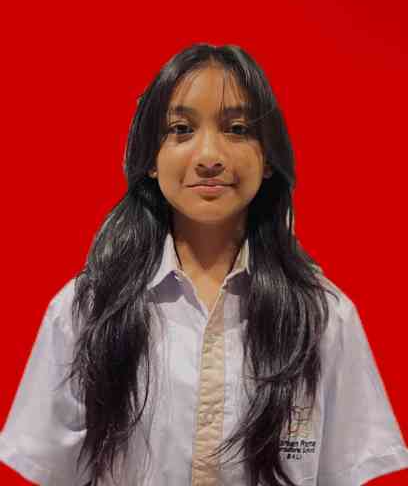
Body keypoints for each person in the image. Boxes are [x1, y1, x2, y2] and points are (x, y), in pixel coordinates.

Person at [0, 43, 407, 486]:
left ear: (268, 159)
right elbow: (48, 469)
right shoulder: (86, 309)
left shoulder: (323, 317)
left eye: (237, 129)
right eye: (181, 129)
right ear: (151, 159)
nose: (210, 156)